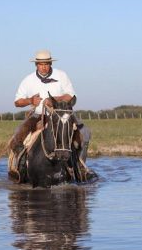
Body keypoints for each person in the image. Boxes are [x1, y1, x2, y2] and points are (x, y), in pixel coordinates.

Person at [9, 50, 96, 182]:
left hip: (61, 114)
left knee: (85, 132)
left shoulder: (61, 75)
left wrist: (55, 99)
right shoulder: (28, 80)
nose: (43, 67)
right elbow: (17, 101)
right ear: (36, 65)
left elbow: (71, 96)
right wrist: (30, 101)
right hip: (38, 114)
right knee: (18, 135)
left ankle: (80, 166)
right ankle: (19, 169)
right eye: (40, 64)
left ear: (50, 63)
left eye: (46, 64)